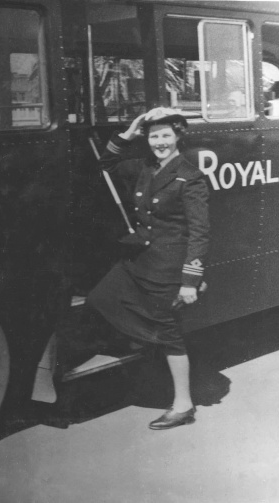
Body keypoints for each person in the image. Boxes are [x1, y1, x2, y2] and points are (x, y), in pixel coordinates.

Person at [88, 107, 209, 430]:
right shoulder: (143, 167)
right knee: (102, 297)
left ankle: (183, 405)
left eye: (166, 135)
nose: (159, 142)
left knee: (169, 333)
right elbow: (105, 165)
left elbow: (199, 232)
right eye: (154, 136)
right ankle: (147, 340)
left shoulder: (190, 177)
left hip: (167, 265)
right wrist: (128, 134)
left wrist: (190, 281)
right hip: (138, 261)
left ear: (178, 136)